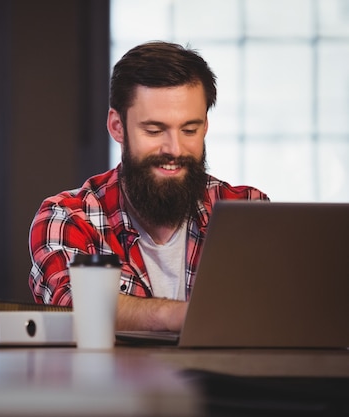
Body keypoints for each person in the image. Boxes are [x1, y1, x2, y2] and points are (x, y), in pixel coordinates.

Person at [28, 41, 269, 332]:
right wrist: (184, 317)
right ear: (117, 127)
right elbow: (73, 304)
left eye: (189, 130)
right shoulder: (68, 217)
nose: (174, 149)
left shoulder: (248, 209)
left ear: (205, 126)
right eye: (154, 130)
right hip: (111, 378)